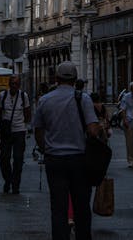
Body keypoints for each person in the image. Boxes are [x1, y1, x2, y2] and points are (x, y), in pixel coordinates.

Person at [33, 60, 100, 240]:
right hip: (79, 160)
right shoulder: (83, 98)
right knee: (81, 207)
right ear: (76, 79)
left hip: (54, 160)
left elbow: (38, 130)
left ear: (56, 78)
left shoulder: (45, 100)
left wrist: (44, 147)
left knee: (58, 208)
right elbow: (93, 129)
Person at [0, 75, 31, 194]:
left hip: (19, 131)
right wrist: (2, 126)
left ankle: (15, 185)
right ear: (9, 84)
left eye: (16, 84)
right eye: (12, 84)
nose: (14, 86)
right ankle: (8, 179)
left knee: (18, 159)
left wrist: (23, 124)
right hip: (6, 132)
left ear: (19, 85)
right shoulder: (3, 95)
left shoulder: (23, 96)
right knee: (4, 158)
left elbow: (27, 113)